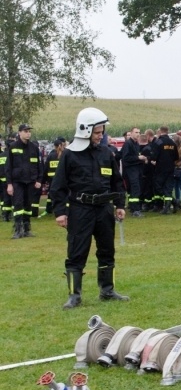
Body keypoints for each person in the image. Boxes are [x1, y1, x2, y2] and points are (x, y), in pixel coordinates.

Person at [50, 108, 128, 309]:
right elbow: (58, 186)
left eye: (102, 132)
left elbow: (117, 182)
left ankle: (107, 291)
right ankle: (74, 296)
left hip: (104, 210)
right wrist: (60, 212)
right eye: (97, 132)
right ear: (85, 130)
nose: (101, 136)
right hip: (80, 210)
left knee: (107, 250)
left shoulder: (106, 153)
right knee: (76, 253)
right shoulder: (70, 155)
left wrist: (120, 204)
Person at [6, 124, 43, 239]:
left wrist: (39, 180)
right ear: (19, 133)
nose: (28, 133)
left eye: (29, 131)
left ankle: (27, 229)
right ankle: (18, 230)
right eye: (25, 131)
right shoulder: (13, 147)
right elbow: (8, 167)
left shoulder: (34, 148)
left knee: (28, 205)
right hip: (17, 181)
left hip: (30, 181)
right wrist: (9, 184)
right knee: (18, 204)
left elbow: (39, 165)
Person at [150, 126, 179, 214]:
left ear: (160, 131)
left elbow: (153, 156)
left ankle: (173, 202)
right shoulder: (172, 143)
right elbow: (176, 157)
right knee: (168, 188)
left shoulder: (158, 142)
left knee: (158, 186)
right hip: (170, 168)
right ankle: (169, 206)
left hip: (160, 169)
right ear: (167, 131)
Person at [120, 127, 146, 217]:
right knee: (135, 189)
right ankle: (136, 210)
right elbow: (126, 158)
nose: (138, 134)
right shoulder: (128, 143)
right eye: (136, 132)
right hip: (131, 170)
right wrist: (138, 158)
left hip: (136, 169)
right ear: (131, 133)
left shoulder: (136, 144)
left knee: (134, 190)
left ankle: (132, 207)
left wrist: (142, 158)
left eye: (139, 132)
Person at [41, 137, 67, 216]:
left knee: (51, 195)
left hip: (52, 180)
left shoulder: (51, 155)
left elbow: (46, 168)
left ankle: (49, 209)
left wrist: (43, 180)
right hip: (63, 179)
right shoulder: (65, 154)